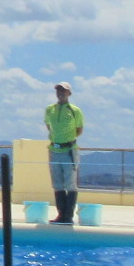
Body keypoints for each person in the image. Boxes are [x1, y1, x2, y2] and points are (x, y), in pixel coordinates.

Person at [44, 82, 83, 223]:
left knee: (70, 183)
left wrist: (66, 140)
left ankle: (69, 216)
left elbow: (79, 130)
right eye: (58, 90)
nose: (60, 93)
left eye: (63, 90)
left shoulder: (74, 110)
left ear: (69, 93)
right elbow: (49, 126)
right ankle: (61, 215)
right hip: (54, 149)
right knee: (57, 183)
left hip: (69, 151)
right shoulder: (50, 109)